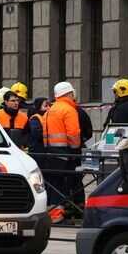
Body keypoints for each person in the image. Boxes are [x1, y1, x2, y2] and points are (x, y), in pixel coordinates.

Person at [43, 81, 81, 224]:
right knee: (64, 183)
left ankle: (53, 213)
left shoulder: (51, 109)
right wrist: (76, 149)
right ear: (69, 93)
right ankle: (58, 214)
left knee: (54, 183)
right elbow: (73, 134)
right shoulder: (69, 110)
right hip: (65, 152)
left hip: (50, 152)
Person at [28, 97, 50, 168]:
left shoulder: (45, 118)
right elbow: (36, 134)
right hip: (37, 152)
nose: (48, 108)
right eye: (45, 106)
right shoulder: (35, 119)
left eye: (49, 105)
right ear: (38, 107)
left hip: (43, 151)